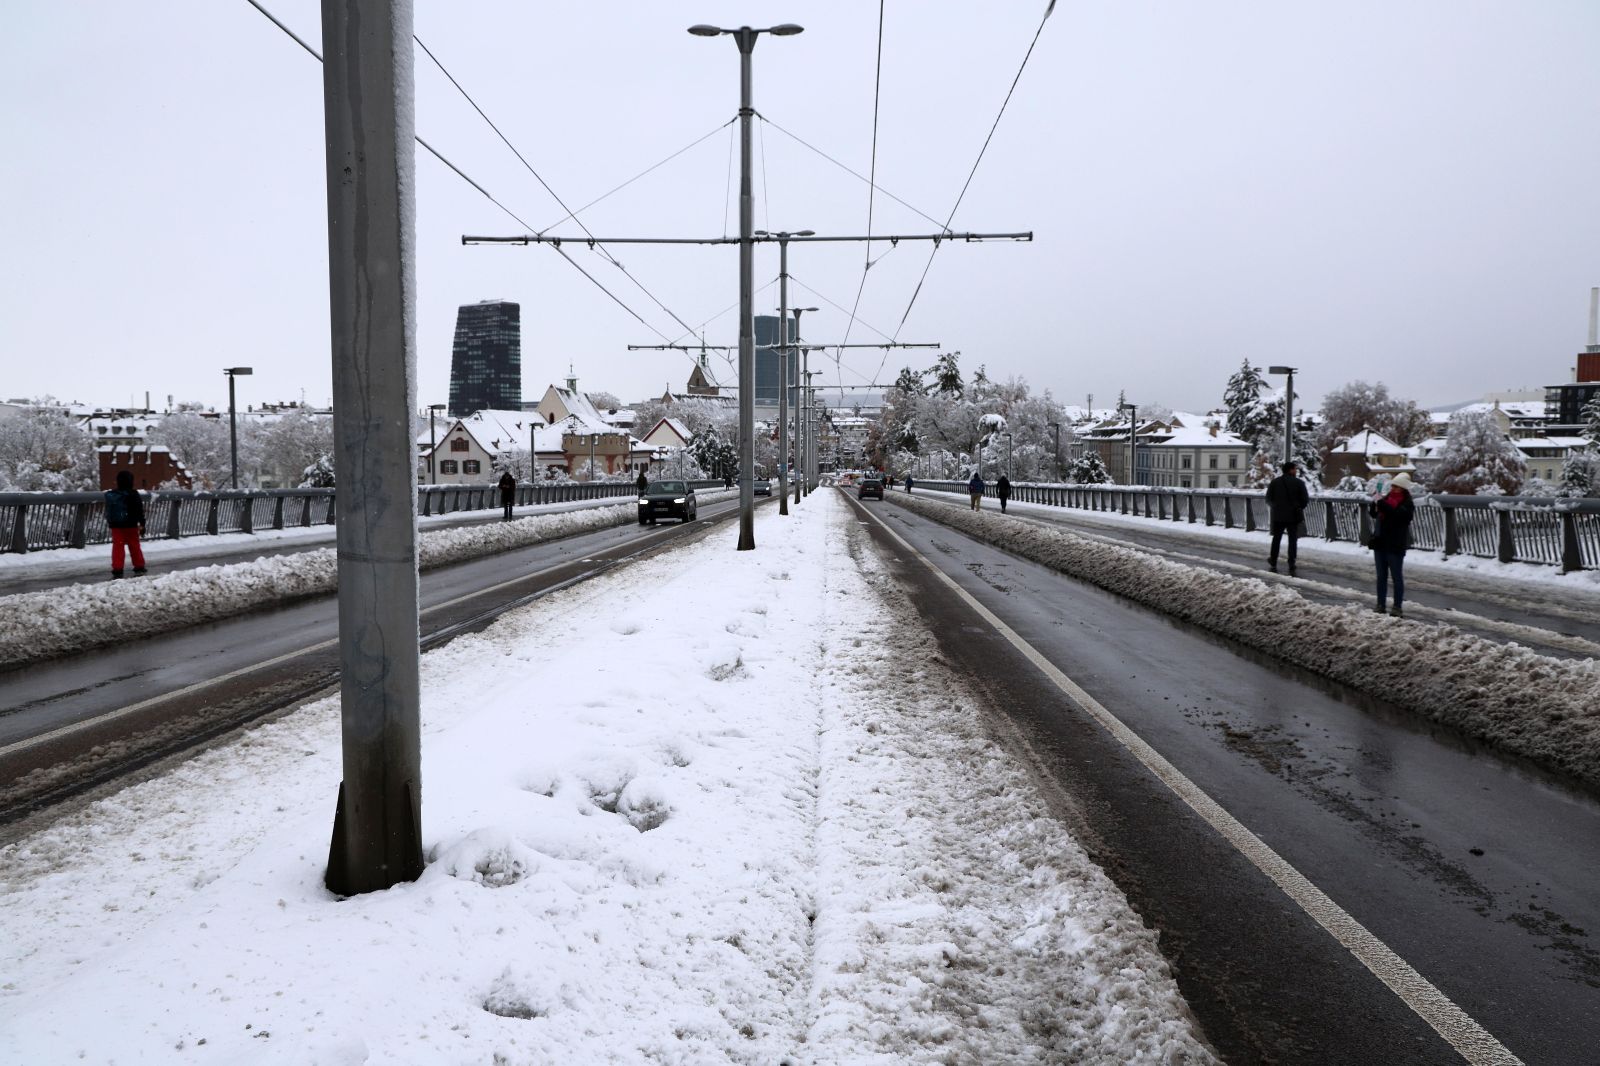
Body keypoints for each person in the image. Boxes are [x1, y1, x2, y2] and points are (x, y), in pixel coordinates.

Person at [1369, 472, 1416, 618]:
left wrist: (1381, 503)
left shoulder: (1407, 504)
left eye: (1397, 487)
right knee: (1381, 576)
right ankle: (1380, 604)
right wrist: (1374, 504)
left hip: (1395, 544)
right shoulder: (1387, 499)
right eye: (1393, 486)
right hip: (1381, 542)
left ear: (1403, 488)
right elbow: (1375, 515)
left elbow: (1398, 516)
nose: (1394, 488)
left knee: (1396, 576)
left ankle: (1397, 607)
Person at [1265, 460, 1310, 575]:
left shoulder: (1275, 482)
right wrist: (1299, 507)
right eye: (1295, 469)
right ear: (1291, 470)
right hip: (1293, 516)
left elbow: (1268, 499)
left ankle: (1273, 560)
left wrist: (1276, 507)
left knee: (1276, 538)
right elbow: (1305, 499)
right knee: (1292, 540)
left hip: (1278, 516)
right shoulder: (1299, 483)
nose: (1296, 471)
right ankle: (1291, 562)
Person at [104, 470, 147, 578]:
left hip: (116, 526)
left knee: (117, 547)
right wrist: (142, 524)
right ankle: (139, 566)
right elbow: (139, 510)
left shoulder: (113, 494)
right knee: (134, 546)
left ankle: (117, 569)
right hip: (131, 525)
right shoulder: (133, 494)